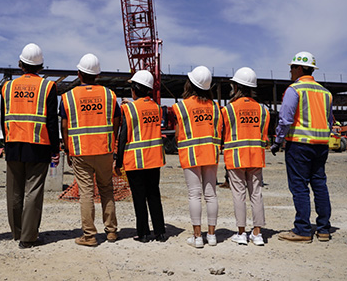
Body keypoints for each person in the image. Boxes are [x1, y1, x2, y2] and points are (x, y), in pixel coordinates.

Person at [1, 43, 60, 249]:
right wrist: (55, 148)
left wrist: (6, 143)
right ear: (40, 65)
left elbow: (4, 119)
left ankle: (17, 233)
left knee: (14, 192)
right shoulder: (48, 86)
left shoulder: (7, 86)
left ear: (20, 64)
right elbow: (51, 121)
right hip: (38, 145)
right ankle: (29, 237)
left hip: (13, 144)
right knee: (33, 191)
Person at [271, 51, 333, 243]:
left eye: (291, 68)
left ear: (299, 68)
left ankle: (303, 230)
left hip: (299, 145)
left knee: (299, 187)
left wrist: (277, 141)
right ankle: (323, 229)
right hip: (321, 146)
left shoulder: (294, 90)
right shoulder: (326, 93)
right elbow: (330, 121)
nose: (290, 71)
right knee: (319, 184)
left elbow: (286, 119)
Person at [60, 53, 120, 246]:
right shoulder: (109, 95)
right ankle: (111, 231)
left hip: (80, 151)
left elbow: (64, 125)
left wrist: (68, 148)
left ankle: (89, 235)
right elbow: (116, 121)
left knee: (86, 193)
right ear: (98, 75)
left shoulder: (69, 97)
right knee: (106, 189)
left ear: (79, 74)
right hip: (104, 149)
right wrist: (112, 141)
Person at [172, 66, 222, 248]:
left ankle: (197, 236)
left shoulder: (181, 106)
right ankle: (212, 235)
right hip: (210, 153)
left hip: (191, 154)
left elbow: (178, 133)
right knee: (211, 195)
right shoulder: (216, 107)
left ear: (190, 84)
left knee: (194, 194)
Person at [115, 70, 167, 243]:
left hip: (136, 161)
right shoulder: (157, 108)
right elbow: (144, 113)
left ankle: (143, 233)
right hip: (154, 159)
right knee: (154, 195)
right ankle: (160, 232)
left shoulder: (128, 109)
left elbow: (123, 137)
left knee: (139, 197)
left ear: (136, 88)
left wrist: (118, 160)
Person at [221, 67, 270, 246]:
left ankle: (241, 233)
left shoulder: (228, 110)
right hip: (256, 157)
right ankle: (257, 233)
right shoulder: (262, 110)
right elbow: (264, 136)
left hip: (235, 158)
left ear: (237, 87)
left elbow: (223, 133)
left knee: (239, 195)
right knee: (256, 194)